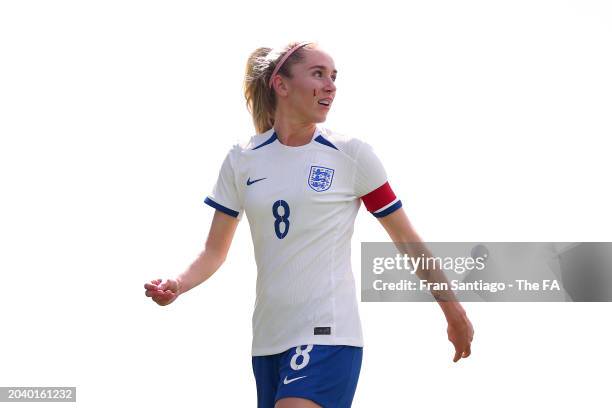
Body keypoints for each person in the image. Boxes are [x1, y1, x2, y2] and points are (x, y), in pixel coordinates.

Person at [144, 41, 474, 408]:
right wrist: (179, 283)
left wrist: (452, 309)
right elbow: (213, 251)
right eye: (318, 74)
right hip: (268, 339)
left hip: (329, 334)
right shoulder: (242, 159)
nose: (331, 85)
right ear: (281, 85)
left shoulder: (352, 155)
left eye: (334, 77)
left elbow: (406, 240)